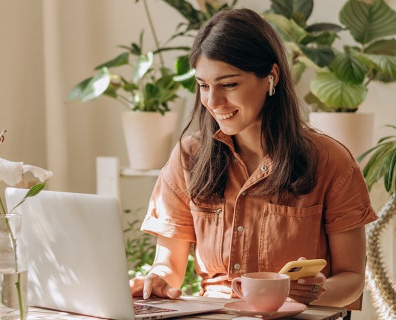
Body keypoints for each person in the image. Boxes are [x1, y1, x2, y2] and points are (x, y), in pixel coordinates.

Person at [129, 7, 377, 310]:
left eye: (229, 84)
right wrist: (157, 279)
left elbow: (352, 278)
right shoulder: (188, 157)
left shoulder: (330, 160)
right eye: (204, 86)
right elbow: (169, 266)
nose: (213, 102)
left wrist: (316, 292)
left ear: (271, 77)